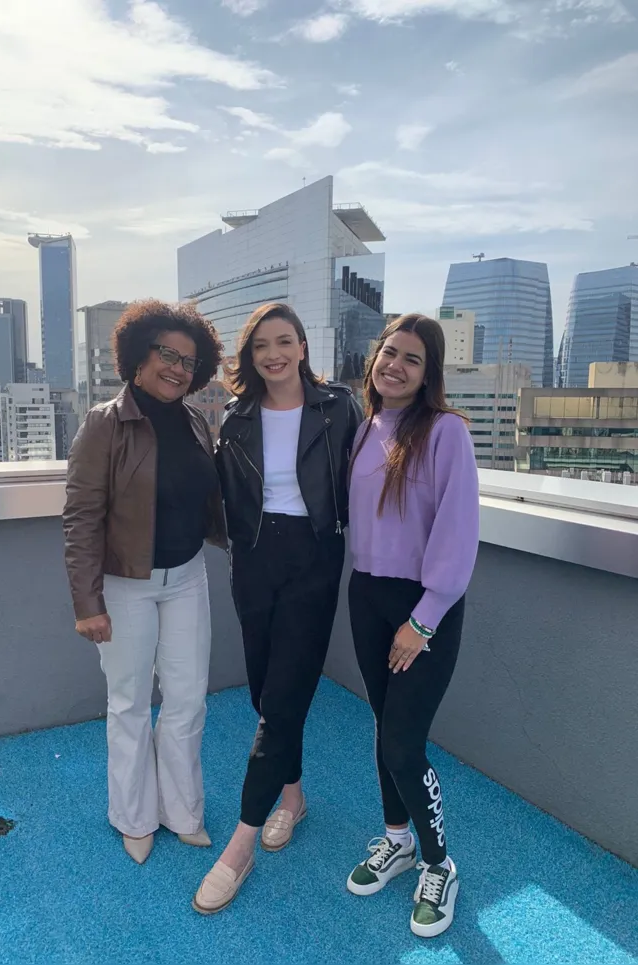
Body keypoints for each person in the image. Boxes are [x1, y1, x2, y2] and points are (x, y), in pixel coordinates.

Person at [192, 303, 362, 914]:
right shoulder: (236, 418)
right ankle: (291, 796)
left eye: (284, 341)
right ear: (250, 354)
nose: (273, 354)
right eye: (262, 344)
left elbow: (368, 475)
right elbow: (218, 494)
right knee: (267, 694)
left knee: (285, 697)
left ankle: (239, 848)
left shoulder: (338, 407)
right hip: (255, 559)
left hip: (315, 558)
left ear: (302, 345)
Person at [63, 299, 227, 865]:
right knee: (129, 701)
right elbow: (82, 516)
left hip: (187, 577)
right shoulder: (103, 424)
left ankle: (182, 810)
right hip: (124, 584)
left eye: (189, 360)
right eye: (167, 354)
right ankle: (133, 815)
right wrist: (88, 603)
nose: (178, 368)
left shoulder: (194, 420)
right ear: (137, 357)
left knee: (187, 699)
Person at [345, 313, 479, 938]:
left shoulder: (447, 431)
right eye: (389, 352)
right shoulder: (366, 425)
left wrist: (422, 621)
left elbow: (457, 531)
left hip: (424, 610)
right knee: (383, 727)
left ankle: (437, 862)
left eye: (413, 358)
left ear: (430, 375)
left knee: (404, 742)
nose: (395, 365)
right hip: (365, 595)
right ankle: (396, 840)